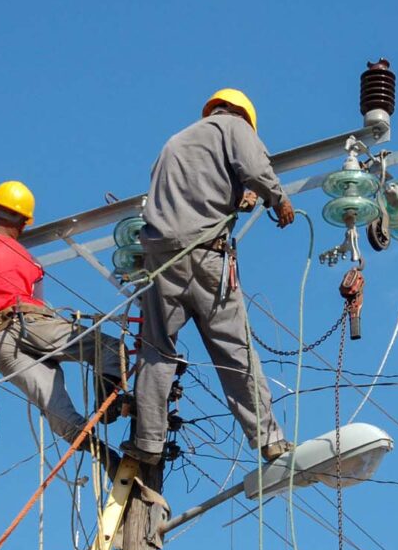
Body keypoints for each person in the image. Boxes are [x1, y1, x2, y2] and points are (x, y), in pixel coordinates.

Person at [123, 89, 296, 465]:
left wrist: (235, 199)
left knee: (155, 351)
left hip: (160, 259)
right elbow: (254, 167)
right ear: (241, 115)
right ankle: (268, 438)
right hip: (205, 255)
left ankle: (148, 443)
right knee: (234, 349)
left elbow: (188, 196)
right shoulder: (233, 126)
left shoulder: (175, 142)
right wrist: (277, 198)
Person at [0, 181, 126, 448]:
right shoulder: (33, 264)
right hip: (30, 323)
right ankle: (109, 403)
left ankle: (104, 457)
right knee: (110, 349)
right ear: (23, 224)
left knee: (55, 407)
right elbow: (39, 309)